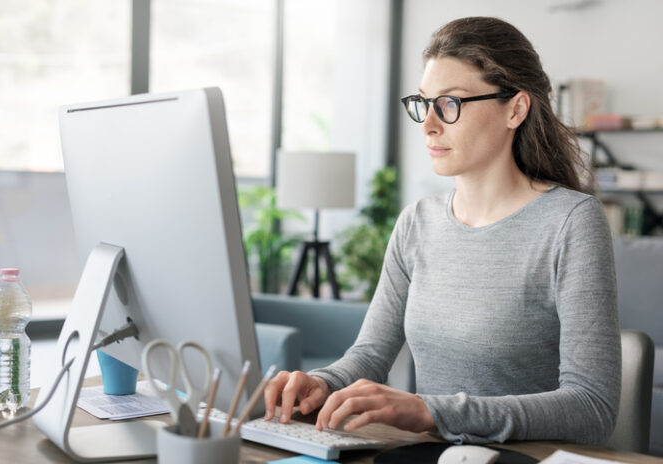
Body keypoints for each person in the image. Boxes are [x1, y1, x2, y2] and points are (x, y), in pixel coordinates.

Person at [263, 16, 621, 445]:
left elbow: (592, 406)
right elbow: (370, 355)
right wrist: (321, 383)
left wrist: (431, 411)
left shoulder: (571, 222)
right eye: (423, 103)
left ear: (516, 108)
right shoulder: (416, 222)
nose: (428, 125)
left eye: (450, 104)